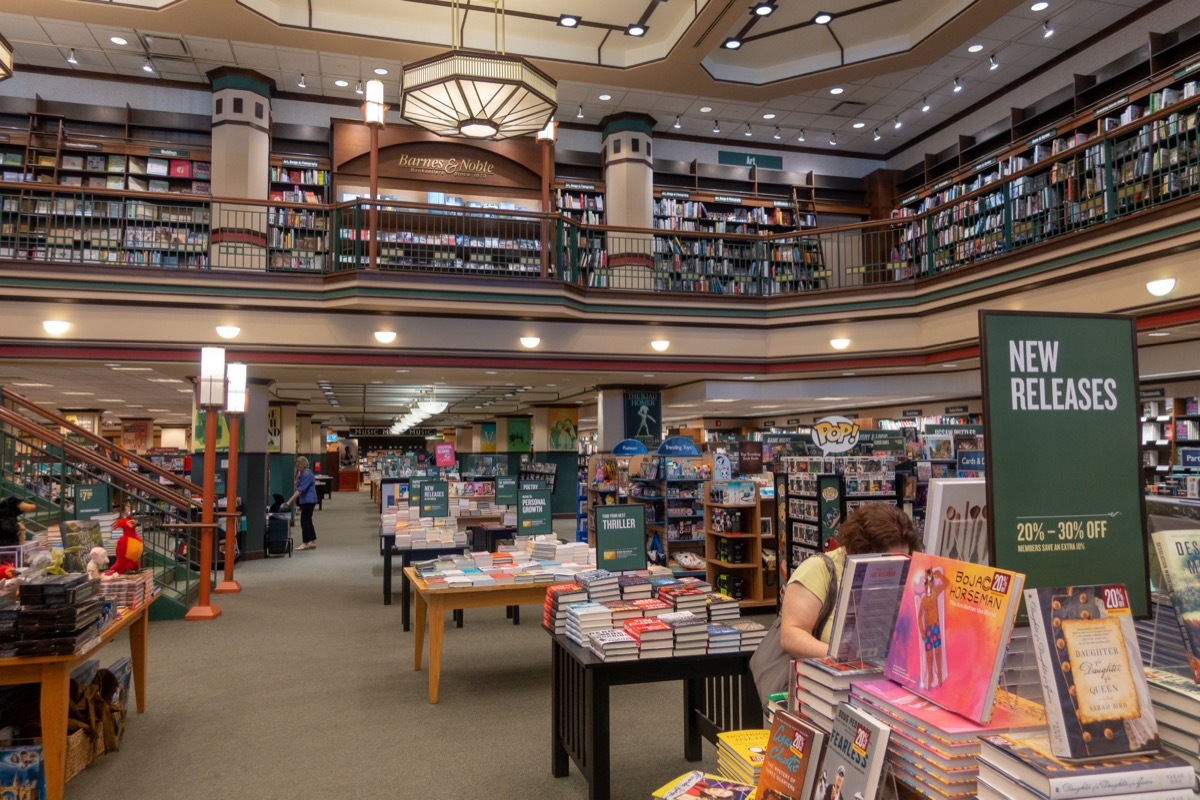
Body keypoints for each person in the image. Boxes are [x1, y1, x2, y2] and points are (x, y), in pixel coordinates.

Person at [780, 503, 921, 659]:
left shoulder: (909, 573)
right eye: (886, 562)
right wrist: (840, 657)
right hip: (827, 675)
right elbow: (791, 635)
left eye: (903, 560)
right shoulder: (820, 568)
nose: (895, 569)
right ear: (860, 550)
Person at [284, 456, 319, 550]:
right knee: (308, 520)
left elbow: (300, 490)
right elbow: (298, 486)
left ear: (303, 465)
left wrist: (290, 501)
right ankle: (312, 541)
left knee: (304, 521)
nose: (297, 468)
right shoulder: (303, 474)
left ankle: (306, 542)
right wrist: (297, 477)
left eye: (298, 466)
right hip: (307, 500)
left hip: (308, 500)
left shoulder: (307, 474)